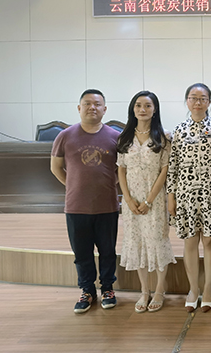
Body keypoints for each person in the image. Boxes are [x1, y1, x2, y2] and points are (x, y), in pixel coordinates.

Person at [50, 89, 120, 314]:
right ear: (79, 108)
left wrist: (110, 184)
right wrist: (72, 185)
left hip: (107, 205)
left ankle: (108, 289)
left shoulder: (115, 137)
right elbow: (55, 167)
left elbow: (122, 170)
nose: (92, 107)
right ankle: (87, 290)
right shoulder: (65, 136)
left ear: (105, 109)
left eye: (97, 104)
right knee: (82, 253)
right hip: (76, 206)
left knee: (107, 251)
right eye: (87, 103)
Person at [167, 83, 211, 313]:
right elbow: (172, 166)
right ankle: (193, 289)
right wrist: (171, 196)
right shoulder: (179, 130)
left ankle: (208, 288)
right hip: (185, 194)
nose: (197, 102)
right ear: (187, 101)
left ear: (209, 102)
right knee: (190, 241)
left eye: (202, 98)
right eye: (193, 97)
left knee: (210, 241)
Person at [117, 91, 177, 313]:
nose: (142, 109)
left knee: (157, 240)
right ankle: (144, 290)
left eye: (148, 106)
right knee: (137, 242)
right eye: (138, 105)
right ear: (133, 109)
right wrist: (127, 199)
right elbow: (121, 170)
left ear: (155, 109)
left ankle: (160, 289)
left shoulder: (164, 137)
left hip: (155, 199)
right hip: (131, 200)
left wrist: (149, 200)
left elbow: (165, 170)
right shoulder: (124, 137)